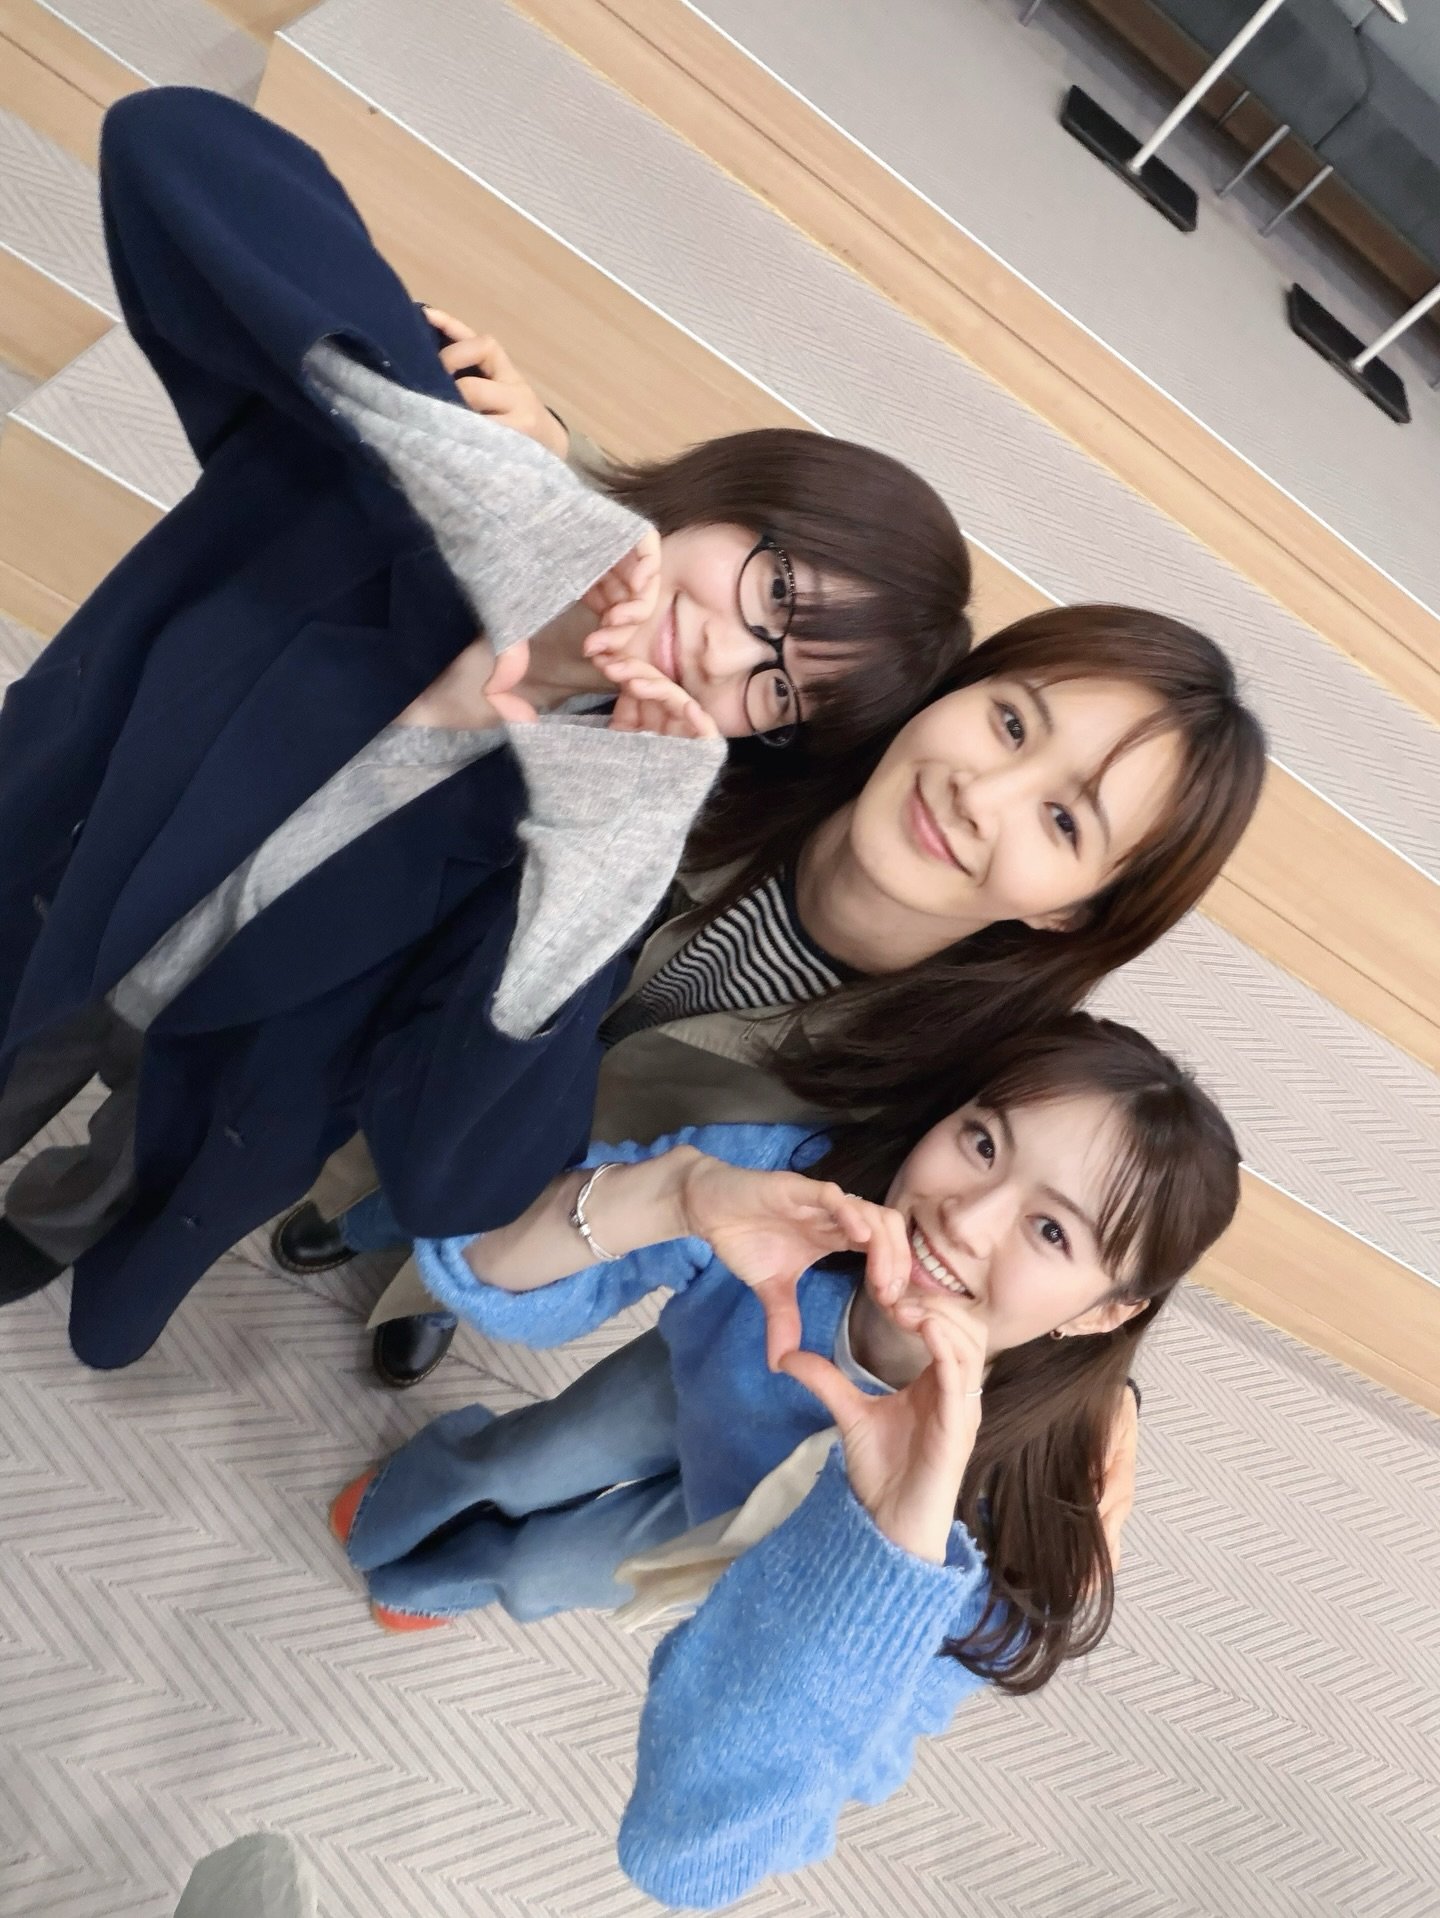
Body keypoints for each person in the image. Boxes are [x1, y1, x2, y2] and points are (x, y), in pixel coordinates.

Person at [0, 88, 971, 1367]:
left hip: (216, 1072)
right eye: (776, 591)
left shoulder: (594, 817)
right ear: (740, 494)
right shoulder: (409, 494)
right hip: (61, 881)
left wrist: (599, 844)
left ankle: (37, 1231)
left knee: (111, 1172)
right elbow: (167, 143)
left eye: (778, 692)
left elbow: (461, 1177)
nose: (725, 650)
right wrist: (488, 475)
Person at [330, 1015, 1241, 1908]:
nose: (966, 1220)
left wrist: (892, 1552)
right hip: (698, 1380)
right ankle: (405, 1502)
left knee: (544, 1569)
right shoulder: (800, 1189)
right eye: (982, 1143)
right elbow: (484, 1263)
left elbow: (703, 1854)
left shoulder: (1036, 1515)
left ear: (1106, 1312)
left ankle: (457, 1570)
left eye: (1052, 1232)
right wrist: (668, 1195)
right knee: (529, 1458)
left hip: (753, 1546)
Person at [315, 600, 1266, 1386]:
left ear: (1073, 912)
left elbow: (1034, 1259)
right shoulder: (754, 724)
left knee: (487, 1213)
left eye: (1062, 820)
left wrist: (1098, 1400)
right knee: (375, 1122)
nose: (980, 795)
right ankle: (343, 1202)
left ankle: (419, 1288)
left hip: (560, 1198)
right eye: (1011, 723)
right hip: (418, 1048)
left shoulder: (957, 1081)